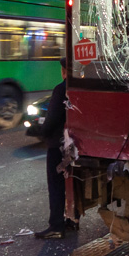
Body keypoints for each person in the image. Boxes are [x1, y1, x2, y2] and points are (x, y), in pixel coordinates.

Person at [35, 60, 74, 240]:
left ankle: (56, 225)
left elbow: (51, 119)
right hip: (74, 145)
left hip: (58, 145)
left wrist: (43, 134)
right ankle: (72, 219)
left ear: (64, 71)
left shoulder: (61, 89)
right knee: (72, 183)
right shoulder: (80, 87)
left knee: (56, 185)